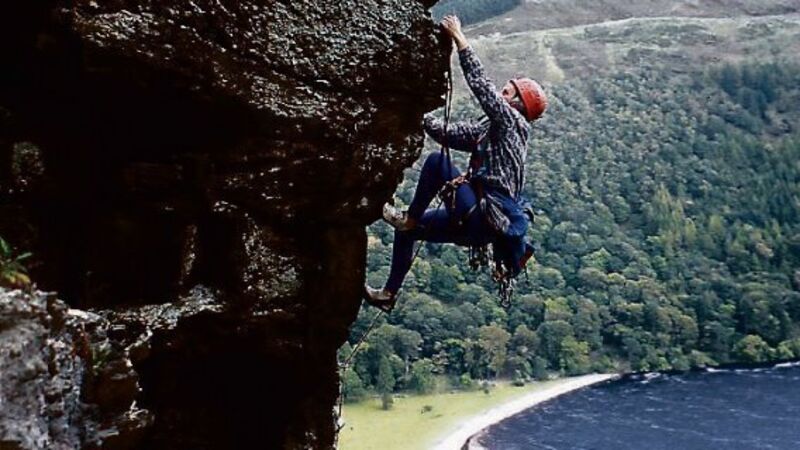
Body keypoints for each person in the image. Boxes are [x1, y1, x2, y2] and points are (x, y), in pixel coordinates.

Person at [363, 15, 548, 311]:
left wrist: (460, 39)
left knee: (437, 162)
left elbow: (482, 87)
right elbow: (449, 134)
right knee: (408, 232)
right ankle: (388, 294)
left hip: (480, 214)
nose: (501, 94)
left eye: (507, 92)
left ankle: (409, 216)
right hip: (478, 225)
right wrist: (416, 113)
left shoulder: (513, 123)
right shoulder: (493, 129)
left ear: (517, 105)